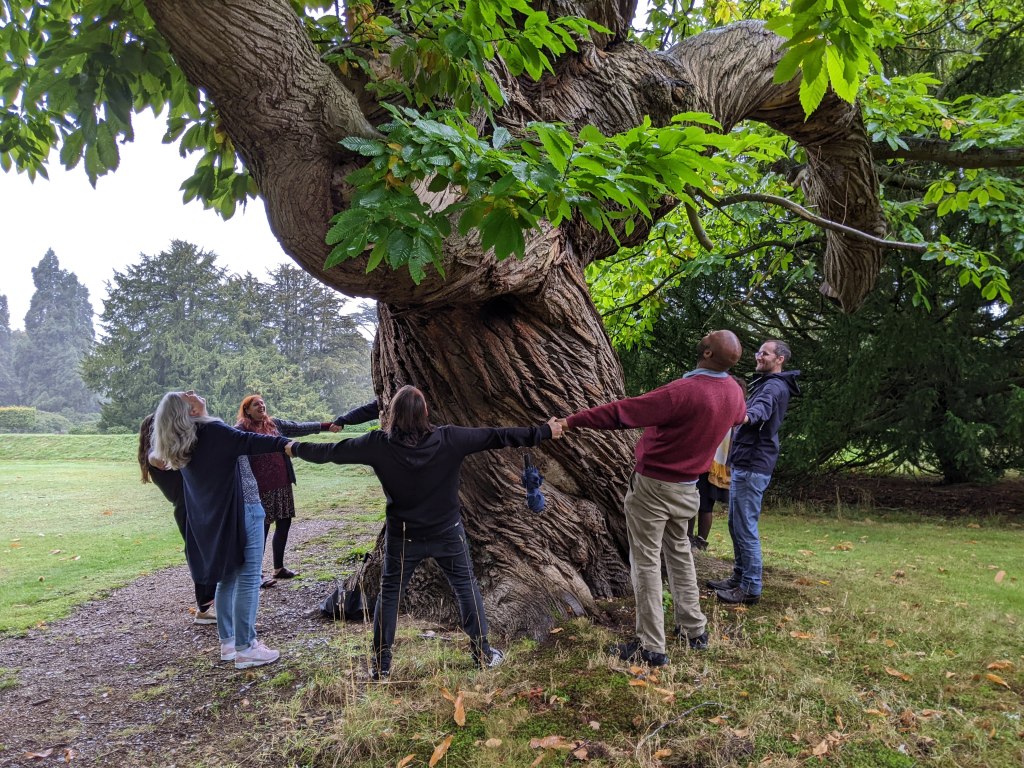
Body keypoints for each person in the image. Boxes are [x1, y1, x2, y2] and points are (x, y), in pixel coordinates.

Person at [286, 384, 563, 680]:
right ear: (425, 412)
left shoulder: (377, 445)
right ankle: (482, 655)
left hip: (404, 535)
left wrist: (293, 448)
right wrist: (543, 431)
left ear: (392, 414)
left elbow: (331, 452)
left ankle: (381, 665)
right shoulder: (450, 439)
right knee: (465, 588)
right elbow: (497, 435)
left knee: (390, 596)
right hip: (448, 533)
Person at [555, 330, 747, 666]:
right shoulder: (733, 391)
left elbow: (622, 413)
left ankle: (651, 646)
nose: (705, 334)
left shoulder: (683, 391)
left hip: (654, 487)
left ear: (706, 353)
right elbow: (740, 417)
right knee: (680, 555)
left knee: (645, 563)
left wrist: (572, 421)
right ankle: (695, 630)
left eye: (709, 336)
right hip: (689, 488)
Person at [151, 390, 291, 669]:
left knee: (228, 577)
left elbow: (156, 457)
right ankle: (247, 648)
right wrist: (292, 445)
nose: (194, 393)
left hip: (220, 513)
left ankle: (229, 643)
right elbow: (250, 441)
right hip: (245, 508)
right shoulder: (212, 431)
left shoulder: (187, 440)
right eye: (188, 396)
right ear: (189, 411)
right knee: (249, 578)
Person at [709, 340, 801, 605]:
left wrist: (741, 416)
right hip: (746, 462)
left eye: (765, 353)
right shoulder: (767, 382)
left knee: (744, 527)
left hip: (753, 465)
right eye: (759, 352)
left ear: (780, 359)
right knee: (735, 524)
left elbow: (760, 411)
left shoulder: (773, 386)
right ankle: (738, 577)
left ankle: (750, 588)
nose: (759, 356)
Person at [235, 395, 341, 588]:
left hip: (282, 482)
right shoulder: (240, 430)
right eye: (256, 404)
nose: (261, 405)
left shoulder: (274, 424)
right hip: (259, 488)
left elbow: (299, 427)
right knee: (260, 530)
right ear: (247, 410)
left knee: (284, 523)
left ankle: (279, 568)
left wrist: (328, 425)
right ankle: (256, 574)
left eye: (262, 402)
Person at [138, 414, 219, 624]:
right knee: (200, 555)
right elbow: (157, 459)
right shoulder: (153, 453)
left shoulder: (166, 450)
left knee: (208, 553)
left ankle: (210, 604)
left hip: (194, 507)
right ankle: (204, 609)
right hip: (188, 509)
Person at [687, 430, 732, 552]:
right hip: (711, 461)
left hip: (708, 461)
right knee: (696, 502)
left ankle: (695, 540)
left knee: (698, 502)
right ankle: (691, 539)